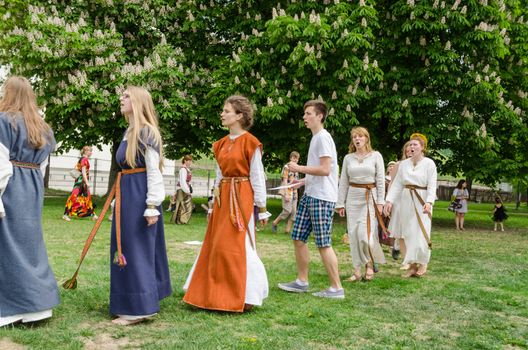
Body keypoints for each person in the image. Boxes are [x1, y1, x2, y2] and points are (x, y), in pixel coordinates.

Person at [183, 95, 269, 312]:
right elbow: (220, 175)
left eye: (227, 111)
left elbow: (257, 176)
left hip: (242, 196)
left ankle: (246, 295)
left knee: (238, 244)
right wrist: (214, 202)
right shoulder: (220, 144)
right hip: (223, 198)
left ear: (240, 115)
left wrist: (263, 207)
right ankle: (212, 294)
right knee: (217, 244)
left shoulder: (251, 142)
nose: (222, 114)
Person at [0, 76, 60, 327]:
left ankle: (12, 310)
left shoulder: (4, 121)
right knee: (29, 244)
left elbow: (1, 164)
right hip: (32, 186)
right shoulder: (42, 126)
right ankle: (38, 308)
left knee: (8, 246)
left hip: (11, 187)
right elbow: (42, 164)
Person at [109, 86, 172, 325]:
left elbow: (154, 171)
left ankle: (140, 308)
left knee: (137, 251)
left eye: (126, 96)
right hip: (127, 195)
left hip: (140, 197)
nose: (121, 99)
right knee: (124, 247)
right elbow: (126, 171)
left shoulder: (147, 132)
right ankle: (130, 301)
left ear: (137, 102)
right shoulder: (129, 131)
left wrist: (152, 205)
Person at [278, 100, 344, 299]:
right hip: (311, 194)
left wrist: (298, 169)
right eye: (304, 114)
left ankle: (336, 288)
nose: (304, 117)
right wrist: (302, 182)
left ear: (320, 116)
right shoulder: (316, 138)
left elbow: (326, 170)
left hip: (322, 198)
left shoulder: (323, 137)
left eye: (308, 114)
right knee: (298, 237)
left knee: (323, 243)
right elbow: (321, 171)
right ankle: (301, 281)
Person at [336, 127, 386, 282]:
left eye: (360, 136)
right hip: (352, 198)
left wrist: (380, 202)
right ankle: (357, 271)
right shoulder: (348, 158)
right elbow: (343, 181)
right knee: (354, 235)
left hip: (369, 198)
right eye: (354, 137)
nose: (357, 139)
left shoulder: (376, 156)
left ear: (366, 139)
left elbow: (380, 181)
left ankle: (370, 265)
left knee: (366, 236)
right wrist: (340, 203)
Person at [385, 133, 437, 278]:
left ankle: (423, 263)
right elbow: (397, 185)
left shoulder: (429, 164)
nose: (412, 147)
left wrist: (429, 202)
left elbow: (432, 185)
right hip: (406, 200)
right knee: (407, 234)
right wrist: (389, 201)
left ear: (422, 148)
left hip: (422, 201)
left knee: (420, 234)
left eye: (415, 145)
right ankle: (412, 266)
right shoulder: (404, 164)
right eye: (410, 144)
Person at [387, 141, 412, 261]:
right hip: (398, 198)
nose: (409, 153)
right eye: (407, 151)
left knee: (408, 224)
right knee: (399, 223)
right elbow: (392, 182)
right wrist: (389, 200)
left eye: (411, 150)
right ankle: (397, 246)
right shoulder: (399, 164)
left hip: (410, 197)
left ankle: (405, 248)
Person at [62, 146, 98, 221]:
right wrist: (87, 182)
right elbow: (83, 172)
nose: (91, 152)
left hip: (82, 181)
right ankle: (66, 214)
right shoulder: (84, 159)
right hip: (80, 182)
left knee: (87, 197)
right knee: (74, 196)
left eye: (91, 151)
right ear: (85, 151)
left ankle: (93, 215)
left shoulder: (84, 159)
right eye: (89, 151)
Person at [271, 151, 300, 234]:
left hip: (295, 193)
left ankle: (287, 230)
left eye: (297, 158)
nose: (295, 160)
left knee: (294, 213)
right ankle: (274, 223)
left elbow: (296, 181)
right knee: (287, 210)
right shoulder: (286, 167)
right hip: (287, 191)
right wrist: (286, 194)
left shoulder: (297, 168)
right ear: (291, 158)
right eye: (294, 158)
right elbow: (284, 180)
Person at [170, 154, 193, 224]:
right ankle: (179, 220)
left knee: (185, 205)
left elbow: (187, 181)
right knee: (181, 205)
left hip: (184, 189)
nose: (190, 162)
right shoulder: (183, 169)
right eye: (188, 161)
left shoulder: (187, 169)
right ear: (185, 161)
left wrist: (190, 188)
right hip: (182, 189)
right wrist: (187, 190)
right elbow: (182, 181)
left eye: (190, 161)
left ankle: (181, 220)